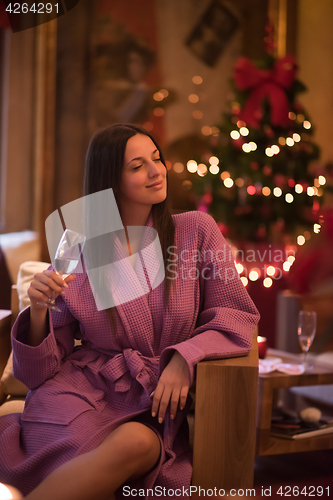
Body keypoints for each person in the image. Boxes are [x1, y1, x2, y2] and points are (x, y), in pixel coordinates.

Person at [0, 124, 260, 500]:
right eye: (137, 166)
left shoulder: (195, 231)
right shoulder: (78, 246)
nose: (157, 171)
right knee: (78, 447)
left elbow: (236, 314)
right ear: (110, 180)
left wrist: (183, 357)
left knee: (138, 444)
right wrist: (39, 309)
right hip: (80, 392)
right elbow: (37, 373)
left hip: (153, 401)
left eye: (157, 158)